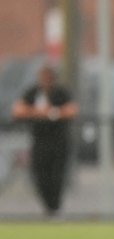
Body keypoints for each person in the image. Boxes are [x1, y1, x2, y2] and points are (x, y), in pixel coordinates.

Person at [11, 64, 78, 218]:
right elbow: (17, 110)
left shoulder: (60, 92)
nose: (45, 80)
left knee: (57, 177)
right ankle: (48, 208)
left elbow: (72, 110)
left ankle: (54, 209)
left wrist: (52, 112)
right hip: (39, 142)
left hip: (59, 142)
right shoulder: (33, 92)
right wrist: (37, 112)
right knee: (40, 176)